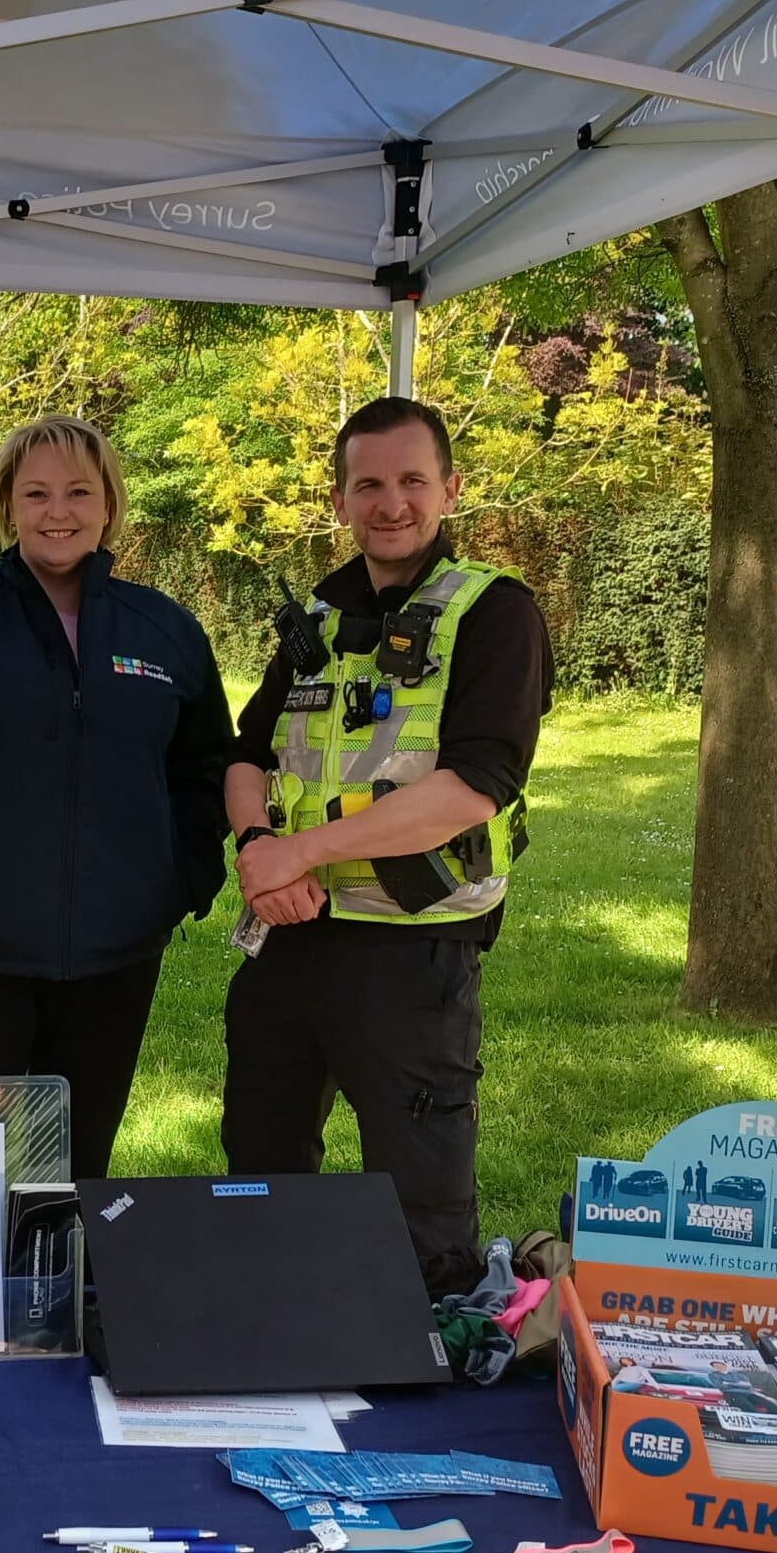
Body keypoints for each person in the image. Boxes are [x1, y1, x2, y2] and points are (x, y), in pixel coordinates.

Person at [221, 395, 554, 1297]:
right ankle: (271, 1324)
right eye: (368, 484)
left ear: (451, 489)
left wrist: (300, 851)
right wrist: (260, 845)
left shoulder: (495, 613)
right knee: (257, 1169)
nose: (391, 503)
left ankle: (431, 1365)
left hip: (414, 948)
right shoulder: (319, 619)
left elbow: (476, 784)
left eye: (412, 481)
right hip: (290, 932)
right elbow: (247, 755)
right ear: (339, 499)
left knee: (421, 1204)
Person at [0, 416, 231, 1179]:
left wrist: (182, 881)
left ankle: (64, 1292)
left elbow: (205, 768)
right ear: (7, 507)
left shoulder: (163, 630)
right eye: (36, 493)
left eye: (77, 492)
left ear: (108, 505)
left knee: (75, 1160)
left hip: (115, 956)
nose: (58, 511)